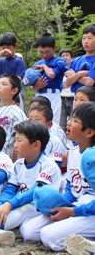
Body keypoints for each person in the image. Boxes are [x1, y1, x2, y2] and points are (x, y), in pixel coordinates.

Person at [20, 102, 95, 252]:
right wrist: (59, 205)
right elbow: (71, 190)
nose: (68, 123)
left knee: (49, 236)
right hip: (79, 206)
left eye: (75, 121)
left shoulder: (92, 157)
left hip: (91, 210)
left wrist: (73, 212)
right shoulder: (73, 153)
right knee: (28, 231)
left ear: (89, 132)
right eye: (70, 118)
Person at [27, 33, 66, 124]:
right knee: (35, 121)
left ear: (55, 48)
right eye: (41, 52)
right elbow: (31, 86)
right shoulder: (38, 63)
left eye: (47, 52)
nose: (44, 55)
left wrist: (44, 66)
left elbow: (52, 74)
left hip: (53, 95)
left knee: (52, 122)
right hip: (39, 94)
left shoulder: (60, 61)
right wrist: (36, 86)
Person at [0, 73, 27, 158]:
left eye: (4, 84)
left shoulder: (17, 113)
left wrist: (16, 158)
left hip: (6, 156)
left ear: (14, 90)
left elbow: (21, 136)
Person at [0, 32, 26, 110]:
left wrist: (7, 85)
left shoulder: (19, 62)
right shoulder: (0, 61)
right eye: (3, 48)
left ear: (15, 46)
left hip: (14, 95)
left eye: (8, 47)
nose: (5, 50)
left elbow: (18, 79)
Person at [65, 24, 95, 93]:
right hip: (77, 98)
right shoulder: (76, 60)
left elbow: (89, 82)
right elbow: (67, 82)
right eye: (84, 38)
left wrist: (74, 76)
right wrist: (80, 74)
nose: (85, 41)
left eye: (90, 38)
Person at [60, 48, 75, 131]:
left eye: (67, 55)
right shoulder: (59, 71)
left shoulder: (75, 70)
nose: (65, 57)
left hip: (73, 98)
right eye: (63, 56)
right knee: (61, 123)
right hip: (62, 98)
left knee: (74, 122)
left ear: (72, 57)